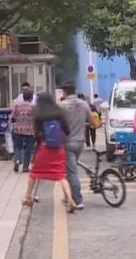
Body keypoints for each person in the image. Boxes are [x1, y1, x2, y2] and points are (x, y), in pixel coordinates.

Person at [24, 93, 76, 212]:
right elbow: (67, 131)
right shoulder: (59, 114)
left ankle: (28, 197)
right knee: (61, 175)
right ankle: (70, 199)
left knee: (34, 173)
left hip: (44, 148)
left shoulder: (39, 116)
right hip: (59, 149)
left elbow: (36, 135)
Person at [60, 82, 92, 210]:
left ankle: (78, 200)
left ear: (64, 92)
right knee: (70, 169)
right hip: (80, 141)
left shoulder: (61, 106)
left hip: (67, 142)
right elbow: (92, 121)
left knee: (72, 171)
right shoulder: (84, 104)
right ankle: (69, 196)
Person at [11, 82, 37, 172]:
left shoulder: (17, 106)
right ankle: (25, 167)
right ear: (31, 98)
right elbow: (36, 118)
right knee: (28, 149)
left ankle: (17, 160)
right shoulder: (33, 107)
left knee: (18, 147)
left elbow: (13, 118)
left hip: (18, 130)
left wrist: (16, 120)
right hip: (29, 131)